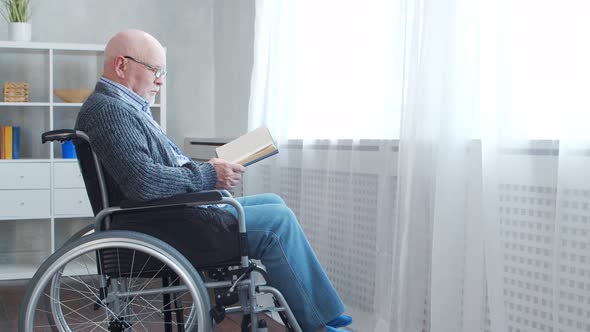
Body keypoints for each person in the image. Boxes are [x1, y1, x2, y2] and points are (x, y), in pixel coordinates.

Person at [75, 29, 352, 332]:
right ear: (121, 65)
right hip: (162, 225)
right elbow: (143, 182)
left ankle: (327, 316)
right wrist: (210, 174)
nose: (160, 79)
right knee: (277, 222)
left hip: (165, 215)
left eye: (162, 71)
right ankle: (321, 326)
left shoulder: (123, 108)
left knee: (274, 203)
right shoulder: (110, 110)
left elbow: (152, 170)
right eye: (155, 70)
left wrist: (211, 170)